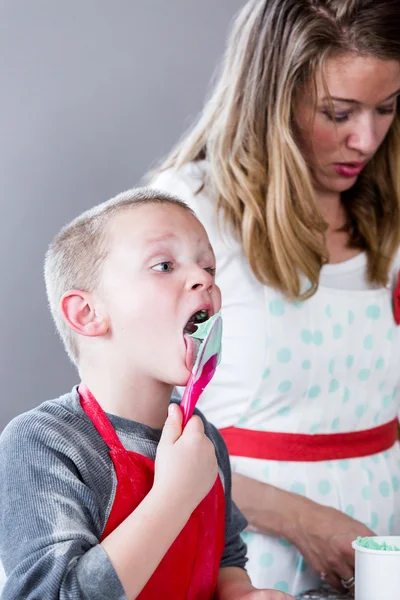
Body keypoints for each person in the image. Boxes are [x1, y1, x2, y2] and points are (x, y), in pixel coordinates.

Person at [150, 0, 400, 596]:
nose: (364, 138)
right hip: (244, 564)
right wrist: (302, 521)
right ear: (271, 99)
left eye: (387, 107)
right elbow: (132, 425)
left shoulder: (390, 212)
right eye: (337, 112)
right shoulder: (191, 214)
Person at [0, 188, 293, 600]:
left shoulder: (202, 438)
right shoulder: (43, 443)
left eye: (208, 266)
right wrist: (174, 496)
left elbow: (225, 558)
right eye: (164, 265)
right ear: (88, 314)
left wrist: (242, 594)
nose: (204, 278)